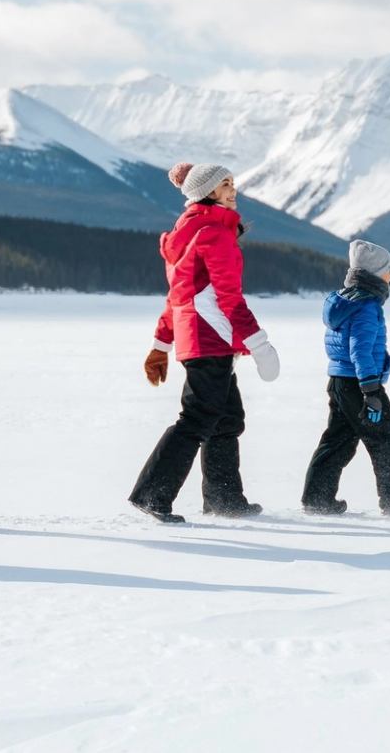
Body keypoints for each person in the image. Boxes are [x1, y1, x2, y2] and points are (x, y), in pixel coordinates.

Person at [128, 161, 281, 524]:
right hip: (211, 337)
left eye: (233, 182)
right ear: (207, 192)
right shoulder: (213, 232)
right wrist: (259, 344)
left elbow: (176, 298)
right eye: (225, 184)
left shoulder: (189, 232)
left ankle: (224, 498)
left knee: (227, 418)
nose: (233, 189)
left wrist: (161, 344)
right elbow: (229, 298)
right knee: (197, 418)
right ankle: (153, 494)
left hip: (201, 336)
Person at [301, 239, 390, 517]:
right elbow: (359, 349)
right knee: (386, 436)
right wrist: (371, 391)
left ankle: (318, 499)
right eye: (389, 270)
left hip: (340, 382)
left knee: (338, 440)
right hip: (359, 384)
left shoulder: (346, 300)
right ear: (376, 274)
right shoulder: (366, 306)